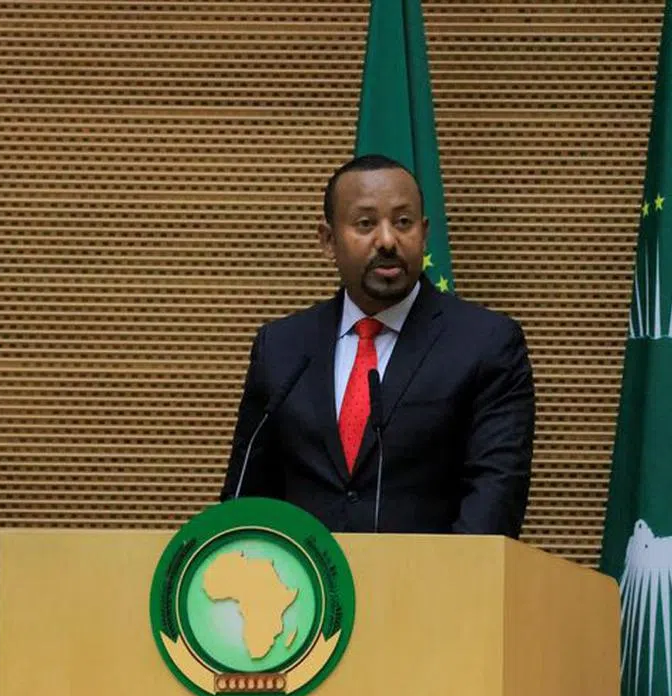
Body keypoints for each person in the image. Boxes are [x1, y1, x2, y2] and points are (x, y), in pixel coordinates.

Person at [219, 154, 535, 537]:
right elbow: (248, 498)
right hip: (306, 593)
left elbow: (494, 500)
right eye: (366, 224)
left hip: (433, 590)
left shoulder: (485, 344)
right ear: (328, 240)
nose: (387, 240)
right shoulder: (282, 347)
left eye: (403, 223)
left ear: (424, 232)